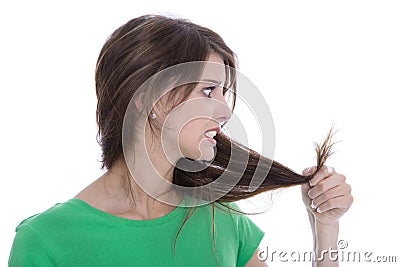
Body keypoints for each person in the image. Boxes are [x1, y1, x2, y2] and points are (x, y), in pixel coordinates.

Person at [8, 14, 353, 267]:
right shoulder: (46, 242)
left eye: (224, 92)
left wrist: (324, 226)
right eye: (208, 90)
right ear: (149, 98)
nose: (224, 110)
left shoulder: (223, 221)